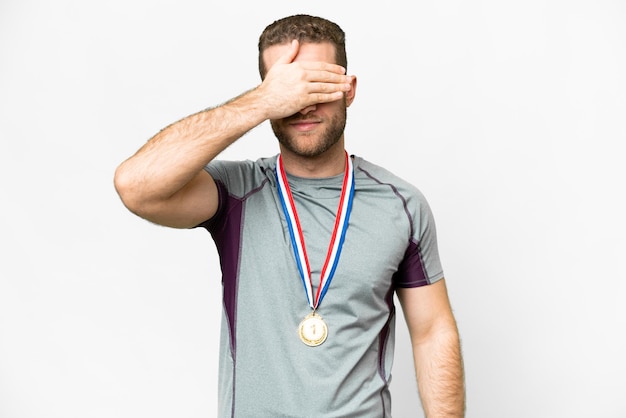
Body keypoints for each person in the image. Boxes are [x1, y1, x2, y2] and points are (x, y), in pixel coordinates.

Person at [114, 14, 465, 417]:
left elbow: (433, 331)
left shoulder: (400, 204)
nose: (304, 102)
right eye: (289, 88)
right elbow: (135, 185)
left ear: (348, 90)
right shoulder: (236, 193)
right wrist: (261, 101)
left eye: (317, 83)